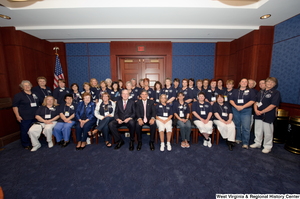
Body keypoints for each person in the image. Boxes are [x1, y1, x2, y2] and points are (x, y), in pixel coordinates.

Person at [251, 77, 281, 153]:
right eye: (268, 82)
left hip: (268, 115)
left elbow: (273, 105)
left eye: (272, 82)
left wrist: (262, 111)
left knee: (268, 131)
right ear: (266, 82)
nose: (269, 83)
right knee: (258, 130)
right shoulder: (260, 92)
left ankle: (267, 146)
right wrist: (256, 110)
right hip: (258, 114)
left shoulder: (276, 93)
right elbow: (256, 102)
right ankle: (257, 142)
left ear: (274, 84)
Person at [13, 80, 40, 150]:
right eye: (25, 85)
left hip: (36, 116)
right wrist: (17, 115)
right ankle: (26, 144)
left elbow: (40, 103)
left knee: (35, 130)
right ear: (22, 87)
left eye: (28, 85)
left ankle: (34, 142)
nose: (27, 86)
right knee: (25, 131)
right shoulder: (18, 96)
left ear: (31, 86)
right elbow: (15, 106)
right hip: (25, 117)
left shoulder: (35, 94)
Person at [230, 78, 256, 149]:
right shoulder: (235, 91)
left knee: (246, 127)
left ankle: (245, 143)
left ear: (247, 83)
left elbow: (252, 101)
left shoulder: (251, 91)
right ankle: (238, 138)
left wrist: (243, 106)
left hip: (246, 110)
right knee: (237, 125)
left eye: (245, 82)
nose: (244, 83)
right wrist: (236, 106)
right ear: (240, 83)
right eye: (242, 81)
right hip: (235, 109)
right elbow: (231, 100)